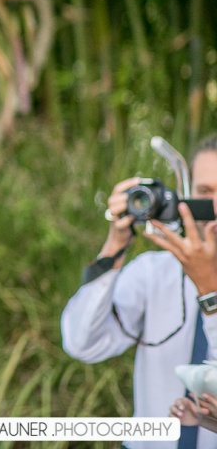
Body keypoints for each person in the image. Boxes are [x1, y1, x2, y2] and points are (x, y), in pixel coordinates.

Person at [62, 136, 217, 449]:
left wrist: (209, 291)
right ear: (184, 196)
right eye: (205, 193)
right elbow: (82, 344)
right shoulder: (153, 272)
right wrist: (115, 245)